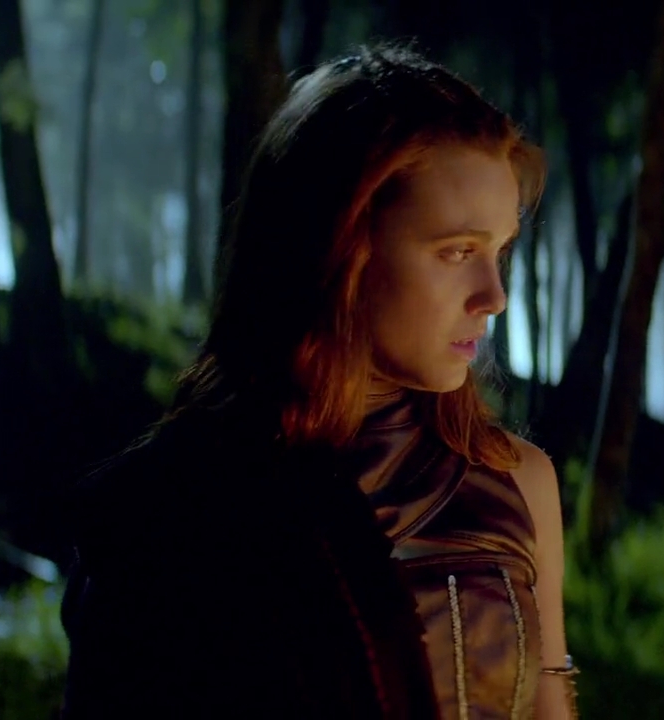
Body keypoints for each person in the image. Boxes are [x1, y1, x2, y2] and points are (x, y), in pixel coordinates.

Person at [59, 44, 579, 719]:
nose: (494, 296)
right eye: (456, 251)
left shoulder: (519, 485)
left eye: (499, 251)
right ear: (343, 250)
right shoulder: (172, 505)